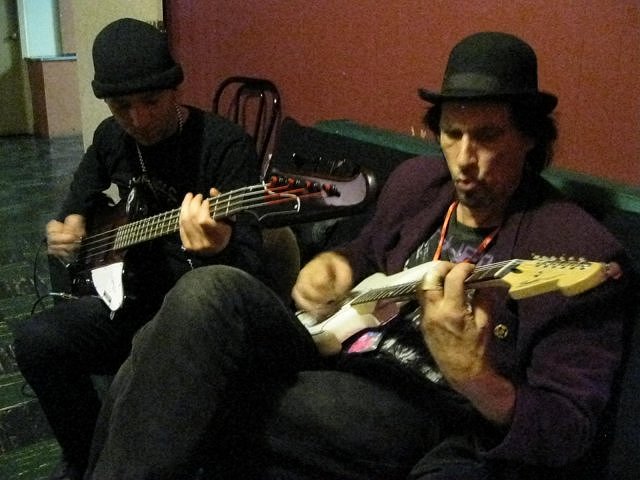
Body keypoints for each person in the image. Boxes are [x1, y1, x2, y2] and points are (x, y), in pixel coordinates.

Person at [85, 32, 632, 480]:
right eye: (452, 134)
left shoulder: (576, 247)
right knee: (204, 293)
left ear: (530, 138)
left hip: (413, 402)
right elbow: (366, 250)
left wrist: (475, 377)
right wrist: (338, 265)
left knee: (173, 373)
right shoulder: (420, 183)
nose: (465, 159)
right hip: (329, 348)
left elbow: (570, 428)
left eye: (488, 137)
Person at [12, 18, 265, 480]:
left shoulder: (224, 146)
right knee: (34, 341)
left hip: (191, 320)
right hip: (128, 302)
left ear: (175, 89)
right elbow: (81, 193)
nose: (138, 120)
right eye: (121, 107)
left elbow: (251, 267)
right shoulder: (112, 138)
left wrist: (216, 247)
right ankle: (85, 457)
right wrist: (70, 221)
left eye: (151, 101)